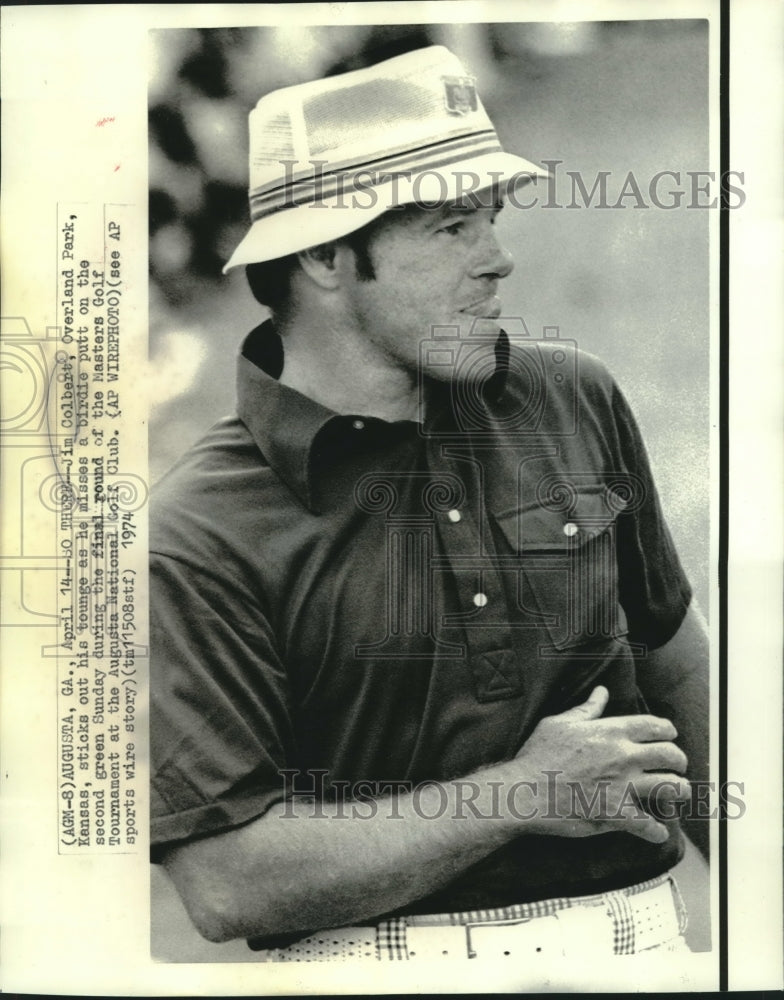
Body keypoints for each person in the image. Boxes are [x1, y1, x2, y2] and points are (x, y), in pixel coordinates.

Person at [150, 45, 709, 960]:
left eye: (489, 219)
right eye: (453, 228)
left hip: (642, 941)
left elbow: (670, 651)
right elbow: (225, 881)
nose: (500, 260)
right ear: (327, 257)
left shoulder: (573, 396)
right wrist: (517, 797)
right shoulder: (197, 532)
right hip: (371, 971)